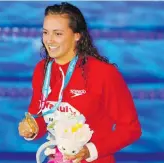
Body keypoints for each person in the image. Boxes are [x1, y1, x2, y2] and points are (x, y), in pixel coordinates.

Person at [18, 2, 142, 163]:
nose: (49, 40)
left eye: (58, 34)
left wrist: (90, 150)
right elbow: (43, 116)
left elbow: (131, 129)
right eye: (45, 32)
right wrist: (32, 128)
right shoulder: (42, 70)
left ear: (77, 35)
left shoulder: (103, 73)